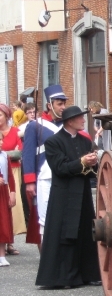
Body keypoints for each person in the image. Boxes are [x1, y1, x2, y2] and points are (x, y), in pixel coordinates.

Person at [35, 105, 101, 289]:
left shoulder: (85, 141)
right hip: (63, 194)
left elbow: (89, 172)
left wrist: (93, 164)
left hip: (82, 194)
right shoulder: (53, 142)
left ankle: (89, 274)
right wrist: (81, 162)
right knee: (65, 234)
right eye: (80, 118)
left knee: (86, 234)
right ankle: (64, 278)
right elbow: (60, 168)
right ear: (70, 121)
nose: (83, 120)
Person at [23, 85, 68, 243]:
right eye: (59, 104)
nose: (63, 107)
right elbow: (28, 154)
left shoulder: (67, 125)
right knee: (45, 221)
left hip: (64, 176)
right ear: (50, 105)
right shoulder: (35, 126)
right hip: (44, 177)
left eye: (64, 104)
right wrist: (30, 182)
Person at [0, 103, 26, 256]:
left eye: (1, 114)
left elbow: (20, 151)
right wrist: (10, 153)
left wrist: (6, 154)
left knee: (12, 207)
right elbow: (13, 152)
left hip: (12, 170)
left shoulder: (14, 131)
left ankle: (9, 241)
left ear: (6, 116)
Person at [0, 130, 17, 267]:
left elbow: (10, 176)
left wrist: (13, 192)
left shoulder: (4, 156)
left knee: (4, 223)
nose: (1, 143)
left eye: (1, 140)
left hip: (3, 191)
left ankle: (2, 255)